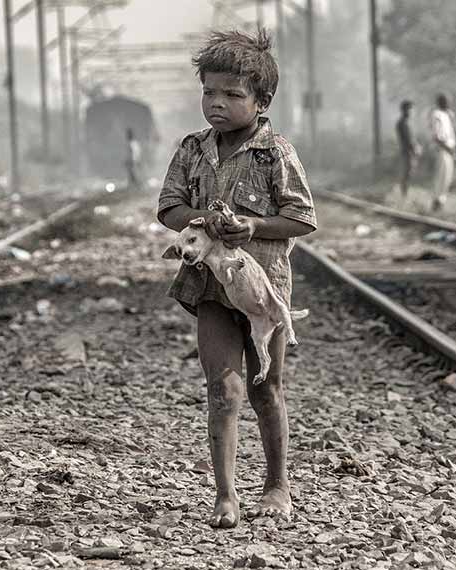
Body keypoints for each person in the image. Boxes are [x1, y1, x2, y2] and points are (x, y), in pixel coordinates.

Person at [156, 29, 317, 528]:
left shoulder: (275, 153)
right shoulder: (192, 149)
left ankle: (277, 484)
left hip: (263, 288)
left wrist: (254, 226)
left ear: (262, 101)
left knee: (265, 387)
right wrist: (202, 217)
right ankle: (225, 496)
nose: (217, 104)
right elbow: (169, 209)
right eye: (209, 93)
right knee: (222, 389)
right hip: (209, 286)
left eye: (232, 94)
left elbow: (303, 218)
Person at [430, 93, 456, 210]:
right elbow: (437, 136)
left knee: (447, 177)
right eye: (446, 101)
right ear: (441, 102)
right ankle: (437, 202)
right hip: (443, 149)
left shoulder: (446, 115)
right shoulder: (437, 115)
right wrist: (447, 148)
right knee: (442, 176)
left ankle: (440, 202)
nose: (449, 104)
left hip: (448, 150)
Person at [395, 100, 421, 196]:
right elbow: (408, 139)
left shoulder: (406, 122)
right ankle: (404, 194)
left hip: (409, 151)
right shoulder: (403, 123)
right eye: (411, 109)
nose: (412, 112)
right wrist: (415, 148)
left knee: (409, 173)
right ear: (405, 110)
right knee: (407, 173)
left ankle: (405, 193)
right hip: (407, 152)